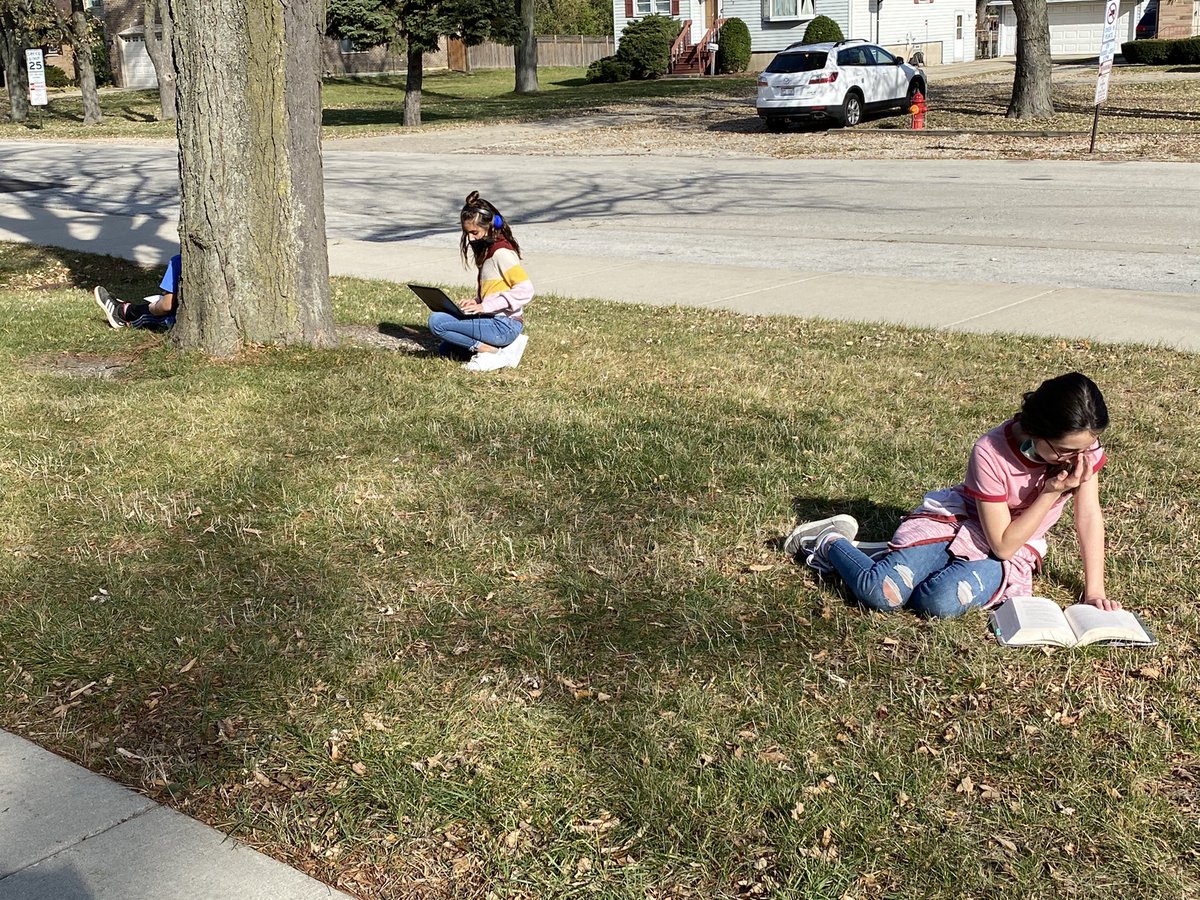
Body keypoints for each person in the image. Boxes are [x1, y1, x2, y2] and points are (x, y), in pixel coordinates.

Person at [788, 372, 1116, 619]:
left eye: (1086, 446)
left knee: (939, 603)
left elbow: (1087, 516)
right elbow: (1001, 543)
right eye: (1065, 449)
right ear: (1036, 429)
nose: (1075, 457)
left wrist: (1094, 591)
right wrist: (1049, 493)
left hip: (1012, 549)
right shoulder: (990, 451)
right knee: (882, 594)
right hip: (957, 525)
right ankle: (829, 541)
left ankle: (893, 559)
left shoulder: (1080, 452)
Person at [429, 191, 531, 372]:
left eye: (474, 232)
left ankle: (492, 351)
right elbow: (496, 290)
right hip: (492, 319)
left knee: (437, 322)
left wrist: (485, 307)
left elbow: (525, 290)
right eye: (467, 233)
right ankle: (493, 348)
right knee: (446, 349)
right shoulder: (489, 251)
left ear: (492, 225)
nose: (470, 238)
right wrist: (476, 302)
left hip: (504, 324)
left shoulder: (502, 253)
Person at [93, 254, 181, 330]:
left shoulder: (178, 261)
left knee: (146, 312)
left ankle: (120, 314)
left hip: (174, 320)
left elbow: (166, 306)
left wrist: (153, 307)